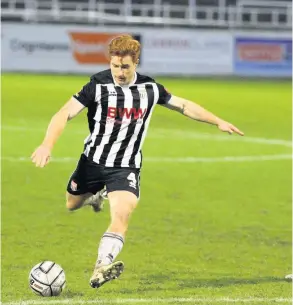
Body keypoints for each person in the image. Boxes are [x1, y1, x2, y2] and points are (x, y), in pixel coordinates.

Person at [31, 34, 244, 289]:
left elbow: (184, 106)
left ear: (136, 63)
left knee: (123, 212)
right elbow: (63, 113)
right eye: (115, 66)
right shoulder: (96, 86)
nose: (119, 72)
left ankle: (101, 265)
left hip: (126, 166)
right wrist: (47, 144)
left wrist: (218, 120)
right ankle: (96, 195)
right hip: (92, 161)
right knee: (71, 204)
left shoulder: (150, 89)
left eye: (125, 67)